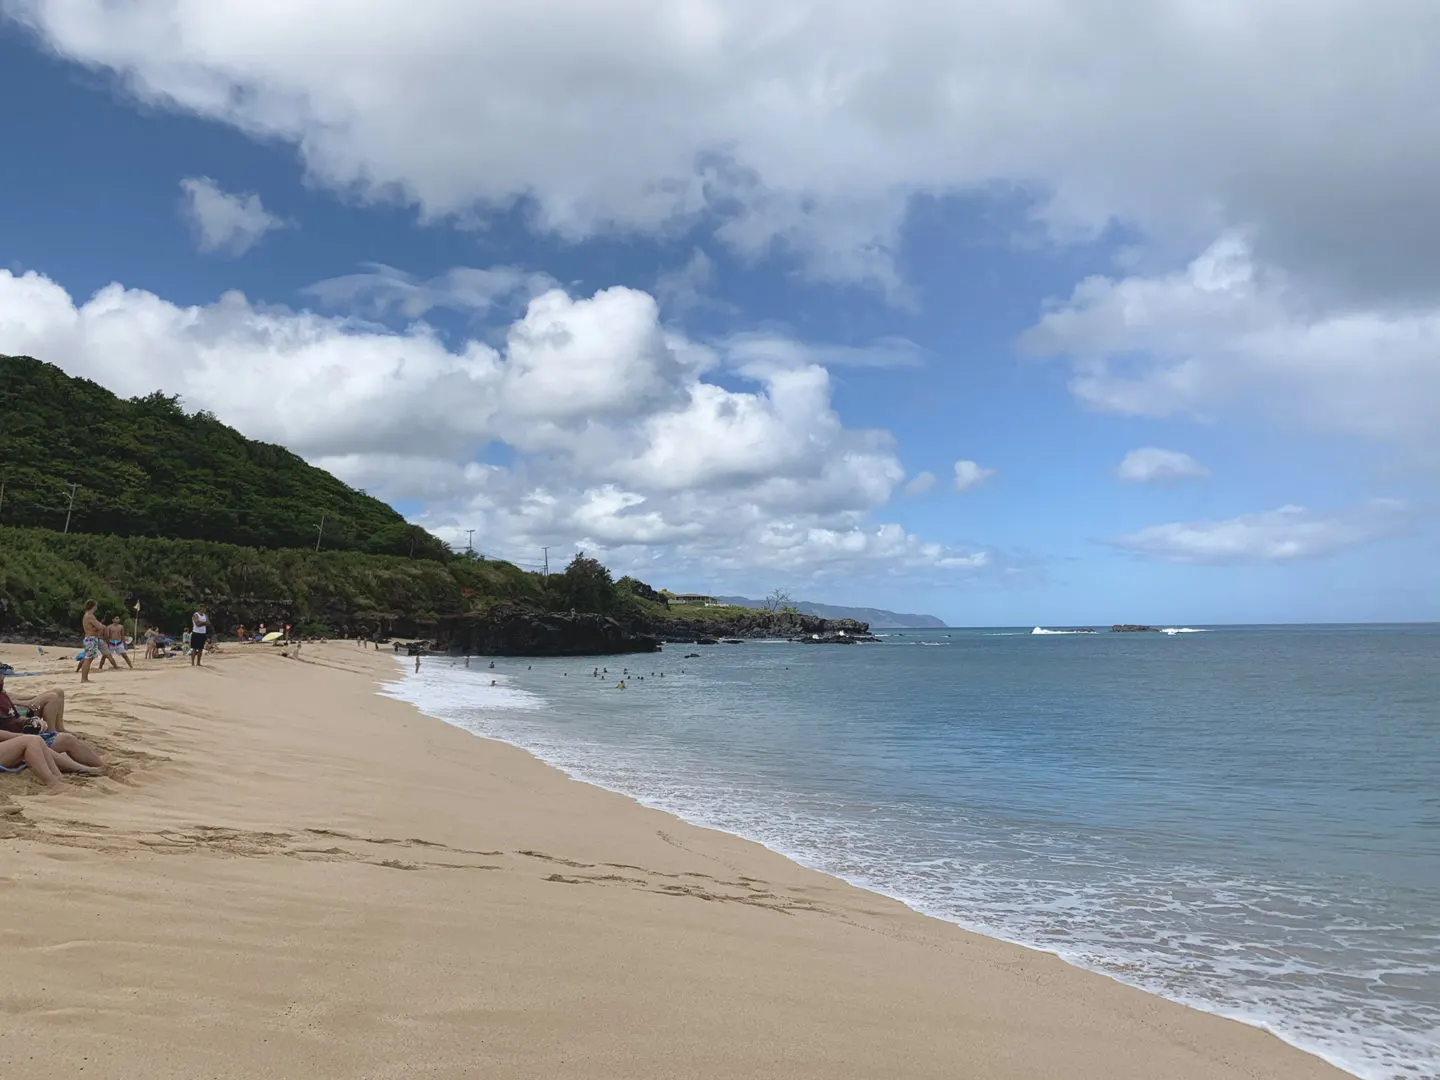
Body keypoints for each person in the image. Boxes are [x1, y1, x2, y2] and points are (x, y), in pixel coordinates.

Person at [0, 675, 103, 773]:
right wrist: (22, 736)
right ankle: (84, 770)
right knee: (37, 743)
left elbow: (16, 717)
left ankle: (102, 767)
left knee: (67, 739)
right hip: (11, 744)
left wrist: (30, 720)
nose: (3, 676)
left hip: (20, 736)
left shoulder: (2, 694)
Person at [79, 600, 110, 683]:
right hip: (91, 639)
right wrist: (103, 627)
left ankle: (84, 678)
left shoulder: (87, 615)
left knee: (88, 659)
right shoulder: (90, 616)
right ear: (93, 606)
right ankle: (84, 679)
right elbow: (100, 627)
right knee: (88, 659)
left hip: (89, 638)